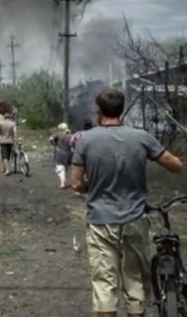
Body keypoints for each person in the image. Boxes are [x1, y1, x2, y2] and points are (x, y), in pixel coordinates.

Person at [70, 89, 183, 317]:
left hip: (100, 221)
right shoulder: (141, 137)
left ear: (98, 110)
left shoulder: (86, 140)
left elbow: (75, 183)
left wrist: (92, 187)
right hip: (134, 219)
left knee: (104, 287)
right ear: (122, 110)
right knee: (134, 283)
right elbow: (176, 165)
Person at [49, 122, 73, 189]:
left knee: (60, 168)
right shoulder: (70, 135)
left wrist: (54, 144)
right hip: (69, 153)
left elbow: (50, 139)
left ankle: (62, 183)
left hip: (60, 153)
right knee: (67, 167)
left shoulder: (58, 134)